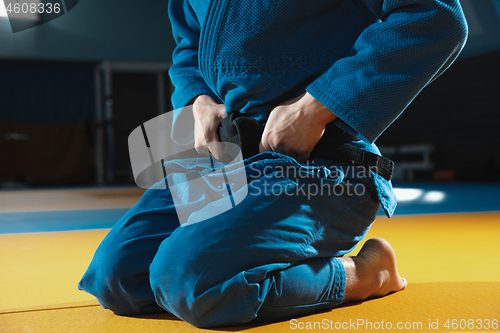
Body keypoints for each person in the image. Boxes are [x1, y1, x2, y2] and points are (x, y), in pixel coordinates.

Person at [78, 0, 468, 328]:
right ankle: (239, 255)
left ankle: (363, 275)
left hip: (319, 164)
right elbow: (189, 46)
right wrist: (196, 97)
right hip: (227, 162)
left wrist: (317, 106)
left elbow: (436, 17)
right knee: (118, 277)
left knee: (189, 281)